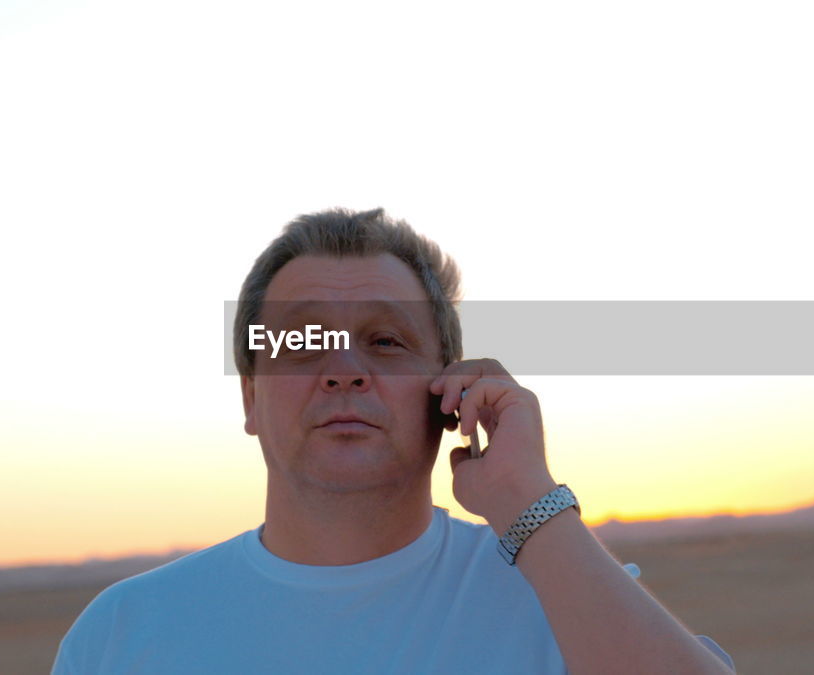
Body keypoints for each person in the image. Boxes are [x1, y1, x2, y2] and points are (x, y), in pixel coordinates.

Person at [51, 208, 736, 674]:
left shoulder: (563, 600)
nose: (345, 369)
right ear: (251, 396)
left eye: (386, 340)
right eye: (302, 341)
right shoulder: (123, 635)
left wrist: (531, 500)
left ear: (450, 389)